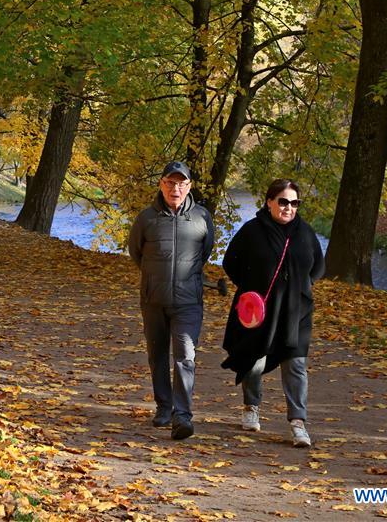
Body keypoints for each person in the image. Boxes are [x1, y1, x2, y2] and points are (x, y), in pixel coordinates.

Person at [220, 179, 324, 448]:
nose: (288, 207)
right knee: (255, 359)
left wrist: (302, 288)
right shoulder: (252, 231)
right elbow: (231, 262)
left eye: (294, 203)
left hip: (296, 312)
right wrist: (251, 289)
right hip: (260, 310)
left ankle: (298, 422)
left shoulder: (305, 233)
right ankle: (251, 406)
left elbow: (318, 266)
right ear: (269, 202)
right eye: (283, 201)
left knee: (296, 364)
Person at [128, 161, 214, 440]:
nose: (175, 188)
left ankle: (182, 415)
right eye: (169, 182)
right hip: (153, 300)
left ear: (189, 187)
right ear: (161, 184)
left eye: (181, 183)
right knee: (157, 355)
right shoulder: (146, 218)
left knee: (185, 356)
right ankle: (164, 407)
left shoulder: (202, 218)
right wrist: (156, 277)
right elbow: (136, 253)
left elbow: (205, 253)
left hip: (189, 301)